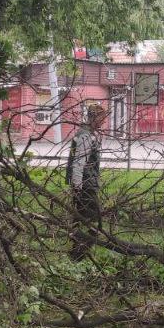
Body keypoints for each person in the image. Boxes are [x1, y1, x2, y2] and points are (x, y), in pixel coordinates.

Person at [66, 104, 106, 260]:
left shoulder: (89, 133)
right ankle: (78, 253)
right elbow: (78, 162)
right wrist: (77, 186)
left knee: (80, 218)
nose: (103, 122)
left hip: (87, 182)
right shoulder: (85, 136)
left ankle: (76, 251)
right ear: (94, 117)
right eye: (102, 118)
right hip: (85, 184)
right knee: (94, 221)